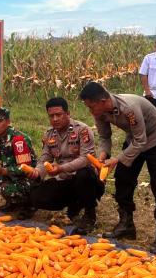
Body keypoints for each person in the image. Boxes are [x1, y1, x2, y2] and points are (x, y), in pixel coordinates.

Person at [79, 81, 156, 255]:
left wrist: (116, 160)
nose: (90, 111)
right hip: (135, 138)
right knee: (122, 178)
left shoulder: (128, 109)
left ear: (103, 100)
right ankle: (127, 223)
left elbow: (142, 141)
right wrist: (103, 155)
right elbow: (105, 137)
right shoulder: (99, 112)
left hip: (155, 138)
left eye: (91, 107)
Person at [28, 97, 104, 235]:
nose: (55, 119)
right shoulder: (49, 134)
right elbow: (45, 157)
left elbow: (86, 159)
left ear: (68, 114)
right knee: (36, 197)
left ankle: (89, 214)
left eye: (59, 115)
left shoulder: (82, 130)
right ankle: (74, 203)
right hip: (64, 178)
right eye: (51, 116)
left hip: (84, 177)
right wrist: (38, 172)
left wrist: (62, 167)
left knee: (84, 174)